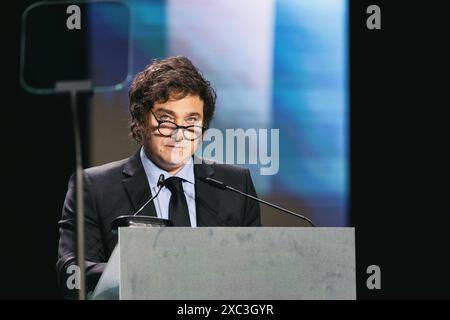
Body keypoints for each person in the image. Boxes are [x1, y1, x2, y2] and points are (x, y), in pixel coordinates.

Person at [56, 56, 261, 298]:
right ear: (141, 119)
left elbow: (256, 267)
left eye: (191, 121)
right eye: (166, 120)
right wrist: (148, 271)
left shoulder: (236, 184)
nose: (179, 134)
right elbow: (71, 272)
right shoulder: (93, 187)